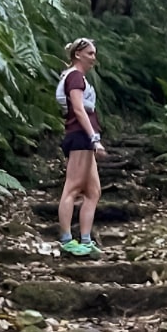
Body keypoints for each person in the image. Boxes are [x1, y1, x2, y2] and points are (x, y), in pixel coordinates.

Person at [54, 37, 107, 257]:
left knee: (93, 192)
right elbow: (78, 109)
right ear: (78, 54)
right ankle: (66, 240)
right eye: (90, 53)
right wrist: (94, 138)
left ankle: (85, 241)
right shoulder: (75, 77)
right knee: (73, 188)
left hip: (84, 138)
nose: (94, 58)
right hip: (80, 137)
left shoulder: (78, 77)